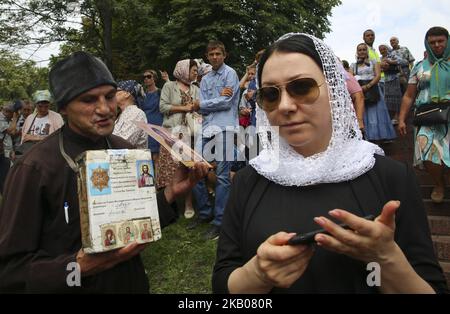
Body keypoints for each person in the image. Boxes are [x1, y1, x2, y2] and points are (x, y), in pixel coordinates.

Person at [212, 33, 447, 294]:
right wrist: (255, 274)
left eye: (302, 87)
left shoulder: (389, 176)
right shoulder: (250, 179)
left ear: (334, 90)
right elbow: (223, 281)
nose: (286, 105)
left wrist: (387, 259)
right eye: (270, 94)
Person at [0, 51, 210, 293]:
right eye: (89, 100)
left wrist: (171, 193)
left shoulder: (126, 151)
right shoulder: (35, 169)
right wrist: (77, 267)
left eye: (110, 96)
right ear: (65, 108)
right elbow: (10, 273)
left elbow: (139, 225)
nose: (105, 109)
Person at [188, 40, 240, 241]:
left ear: (224, 55)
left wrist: (205, 103)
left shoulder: (231, 74)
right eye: (211, 55)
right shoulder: (206, 79)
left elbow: (227, 101)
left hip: (225, 126)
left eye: (218, 53)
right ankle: (204, 213)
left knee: (223, 174)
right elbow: (203, 108)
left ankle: (220, 222)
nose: (215, 57)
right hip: (207, 126)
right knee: (194, 165)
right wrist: (209, 103)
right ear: (208, 57)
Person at [398, 26, 450, 204]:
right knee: (426, 150)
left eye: (440, 41)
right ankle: (438, 183)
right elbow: (409, 95)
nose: (436, 45)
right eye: (432, 42)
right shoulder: (419, 67)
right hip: (426, 116)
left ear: (447, 41)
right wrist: (402, 118)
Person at [158, 59, 200, 219]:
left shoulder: (195, 89)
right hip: (172, 133)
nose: (196, 72)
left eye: (196, 70)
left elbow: (200, 107)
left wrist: (196, 106)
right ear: (183, 70)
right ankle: (169, 205)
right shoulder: (169, 86)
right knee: (170, 169)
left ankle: (188, 204)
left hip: (189, 133)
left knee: (187, 167)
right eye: (193, 70)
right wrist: (184, 108)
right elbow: (163, 107)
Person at [350, 43, 396, 143]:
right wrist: (359, 88)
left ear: (367, 51)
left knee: (376, 113)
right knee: (364, 113)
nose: (362, 52)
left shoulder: (374, 62)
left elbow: (378, 76)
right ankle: (367, 137)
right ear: (357, 52)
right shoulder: (353, 65)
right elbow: (351, 78)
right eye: (360, 50)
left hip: (373, 90)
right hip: (360, 92)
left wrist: (368, 86)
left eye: (364, 50)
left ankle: (380, 136)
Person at [112, 80, 148, 149]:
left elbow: (125, 142)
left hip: (133, 159)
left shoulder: (136, 113)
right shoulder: (123, 113)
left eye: (116, 91)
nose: (112, 94)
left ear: (127, 94)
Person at [141, 69, 164, 172]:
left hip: (157, 125)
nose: (146, 79)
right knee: (146, 155)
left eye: (149, 76)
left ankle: (158, 183)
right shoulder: (142, 95)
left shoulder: (160, 92)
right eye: (144, 77)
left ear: (154, 78)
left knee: (157, 156)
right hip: (145, 126)